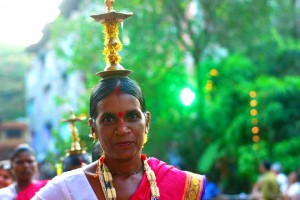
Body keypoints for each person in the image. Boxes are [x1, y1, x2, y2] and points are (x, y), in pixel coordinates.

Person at [32, 0, 206, 199]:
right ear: (92, 128)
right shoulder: (67, 191)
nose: (122, 129)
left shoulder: (182, 186)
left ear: (147, 121)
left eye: (132, 117)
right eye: (108, 119)